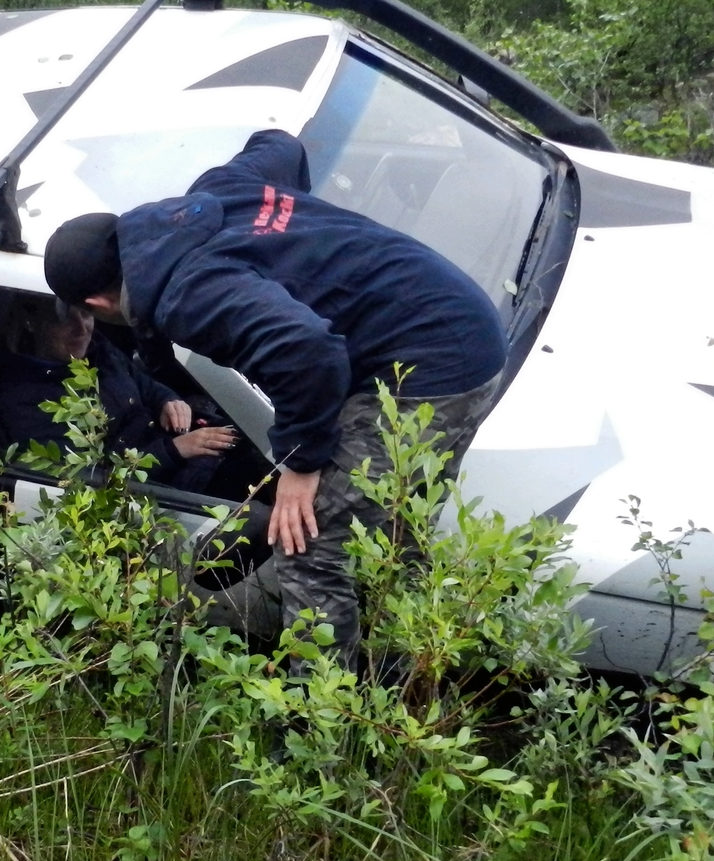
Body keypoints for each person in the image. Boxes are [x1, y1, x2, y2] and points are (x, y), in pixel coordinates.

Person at [43, 129, 507, 664]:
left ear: (96, 299)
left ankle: (323, 725)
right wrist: (294, 242)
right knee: (398, 526)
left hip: (428, 368)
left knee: (307, 546)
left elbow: (306, 348)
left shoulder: (185, 295)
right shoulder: (216, 192)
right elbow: (280, 143)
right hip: (459, 316)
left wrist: (301, 463)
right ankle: (407, 676)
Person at [0, 298, 237, 493]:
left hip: (173, 453)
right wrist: (172, 451)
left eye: (86, 313)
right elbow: (90, 483)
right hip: (146, 494)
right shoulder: (25, 402)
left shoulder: (97, 350)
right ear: (31, 322)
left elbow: (142, 383)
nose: (82, 329)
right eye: (65, 319)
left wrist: (168, 400)